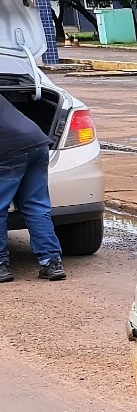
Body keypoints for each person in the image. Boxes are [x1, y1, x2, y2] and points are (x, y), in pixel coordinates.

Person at [0, 97, 65, 282]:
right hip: (37, 144)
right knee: (36, 206)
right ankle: (52, 263)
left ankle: (1, 267)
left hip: (8, 152)